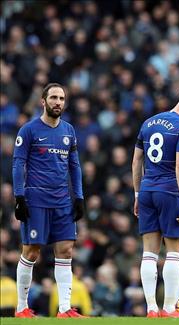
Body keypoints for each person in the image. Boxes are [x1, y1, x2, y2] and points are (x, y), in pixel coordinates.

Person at [12, 83, 86, 318]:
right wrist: (19, 197)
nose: (58, 102)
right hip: (36, 200)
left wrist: (79, 197)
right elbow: (17, 164)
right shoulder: (29, 130)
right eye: (53, 97)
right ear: (43, 101)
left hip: (63, 200)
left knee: (65, 251)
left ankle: (64, 308)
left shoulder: (69, 131)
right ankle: (21, 307)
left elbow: (74, 166)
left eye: (62, 98)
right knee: (32, 252)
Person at [132, 89, 179, 318]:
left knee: (149, 253)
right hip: (169, 192)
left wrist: (137, 194)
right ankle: (169, 309)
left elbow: (136, 161)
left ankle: (151, 309)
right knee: (175, 251)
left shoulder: (149, 122)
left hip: (146, 190)